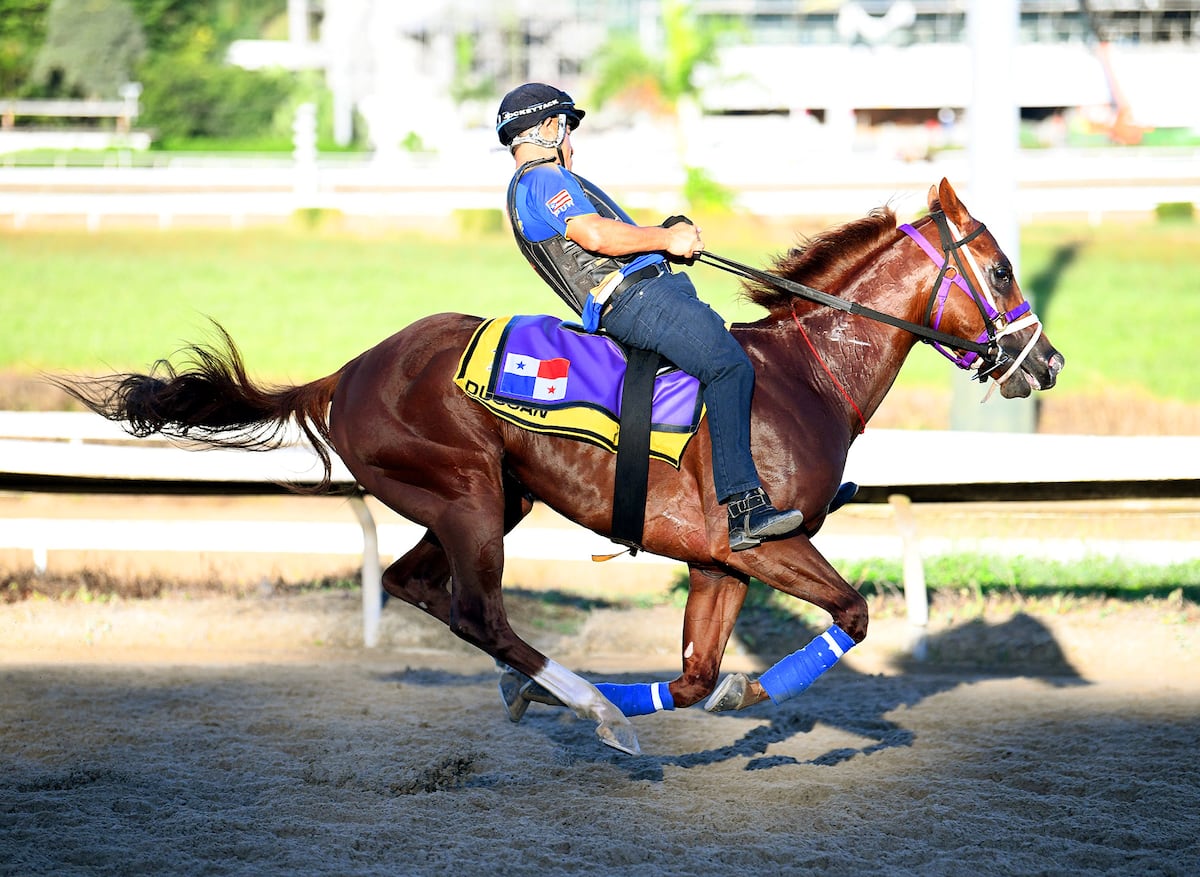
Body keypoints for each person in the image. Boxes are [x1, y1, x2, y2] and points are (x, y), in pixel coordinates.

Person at [496, 82, 806, 552]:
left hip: (640, 296)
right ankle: (745, 509)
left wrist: (664, 236)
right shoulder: (543, 179)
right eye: (566, 129)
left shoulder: (538, 184)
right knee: (728, 365)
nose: (571, 143)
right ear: (548, 127)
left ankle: (792, 485)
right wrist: (666, 241)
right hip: (634, 302)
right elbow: (596, 237)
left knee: (728, 363)